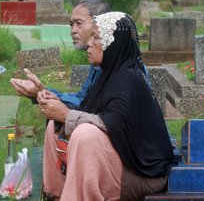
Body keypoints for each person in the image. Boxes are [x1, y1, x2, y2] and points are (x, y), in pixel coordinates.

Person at [38, 12, 178, 200]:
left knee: (85, 136)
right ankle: (57, 194)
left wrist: (67, 115)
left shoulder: (129, 79)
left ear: (113, 44)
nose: (89, 43)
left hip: (137, 173)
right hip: (117, 161)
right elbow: (88, 110)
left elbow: (112, 123)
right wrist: (56, 103)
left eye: (96, 37)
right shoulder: (106, 75)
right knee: (53, 128)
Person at [11, 0, 110, 113]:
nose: (73, 30)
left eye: (79, 24)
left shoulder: (111, 64)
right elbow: (82, 98)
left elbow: (88, 107)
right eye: (71, 24)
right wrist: (42, 92)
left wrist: (40, 93)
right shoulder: (96, 61)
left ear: (99, 25)